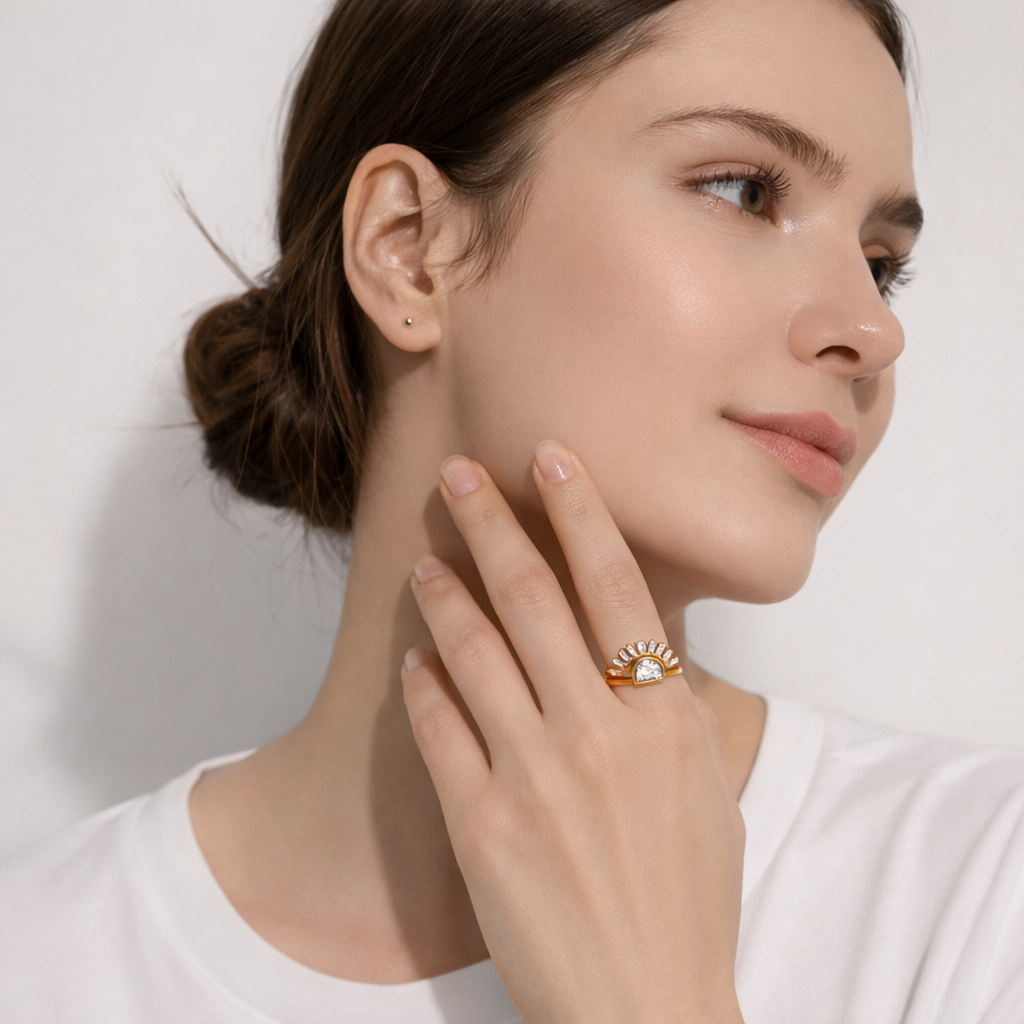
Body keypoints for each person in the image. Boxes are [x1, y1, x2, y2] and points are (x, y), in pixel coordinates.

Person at [2, 0, 1023, 1021]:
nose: (870, 330)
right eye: (743, 189)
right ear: (408, 248)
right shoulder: (40, 958)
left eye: (882, 265)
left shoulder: (977, 897)